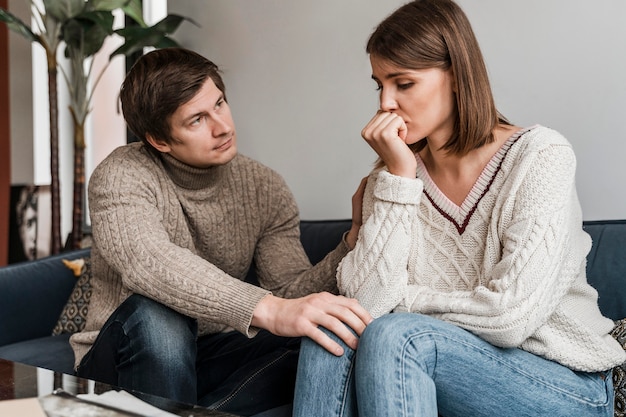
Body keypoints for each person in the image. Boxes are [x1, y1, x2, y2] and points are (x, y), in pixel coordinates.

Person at [293, 0, 626, 416]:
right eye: (379, 84)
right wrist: (398, 176)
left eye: (404, 83)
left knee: (398, 336)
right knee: (333, 330)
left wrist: (402, 302)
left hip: (566, 385)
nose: (386, 103)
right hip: (450, 365)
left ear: (455, 76)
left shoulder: (540, 157)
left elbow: (509, 318)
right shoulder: (395, 180)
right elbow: (365, 308)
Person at [70, 47, 372, 416]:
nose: (223, 126)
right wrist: (268, 308)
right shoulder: (121, 174)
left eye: (220, 103)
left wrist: (352, 242)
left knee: (324, 334)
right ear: (159, 140)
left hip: (213, 353)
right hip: (119, 362)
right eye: (197, 120)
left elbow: (290, 291)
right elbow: (149, 262)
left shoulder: (263, 186)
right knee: (160, 315)